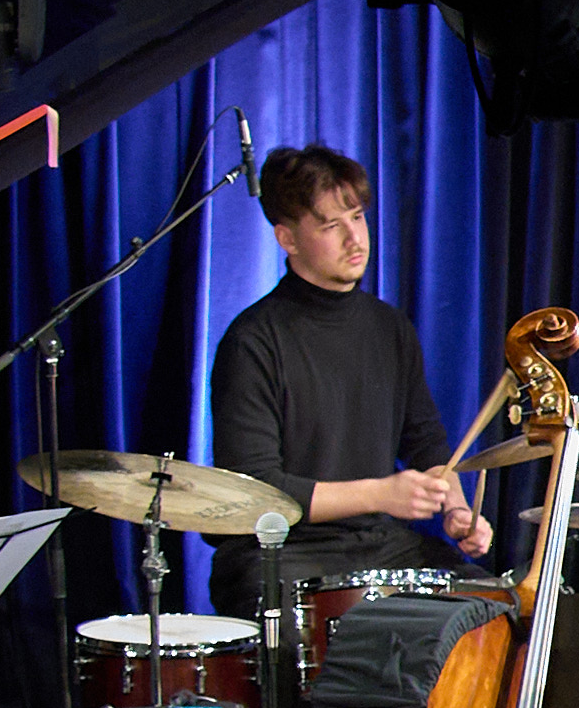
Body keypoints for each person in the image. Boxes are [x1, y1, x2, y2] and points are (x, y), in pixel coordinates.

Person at [206, 143, 494, 625]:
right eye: (330, 226)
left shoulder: (389, 328)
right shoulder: (252, 341)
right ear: (288, 239)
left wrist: (456, 512)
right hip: (286, 558)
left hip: (383, 548)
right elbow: (257, 491)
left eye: (357, 218)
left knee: (494, 612)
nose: (355, 239)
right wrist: (381, 494)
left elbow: (426, 443)